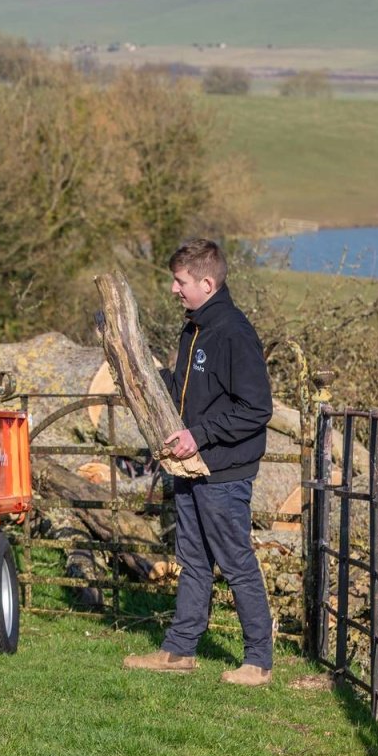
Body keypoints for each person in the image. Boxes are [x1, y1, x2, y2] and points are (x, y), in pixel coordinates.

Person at [123, 240, 275, 685]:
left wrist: (200, 436)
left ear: (207, 283)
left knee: (235, 561)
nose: (174, 289)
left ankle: (258, 661)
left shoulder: (232, 332)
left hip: (223, 471)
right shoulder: (194, 327)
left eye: (181, 281)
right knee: (191, 557)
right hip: (191, 467)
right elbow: (191, 394)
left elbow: (256, 407)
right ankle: (180, 649)